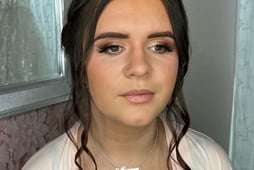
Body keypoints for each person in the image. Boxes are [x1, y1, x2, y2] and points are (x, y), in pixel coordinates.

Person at [22, 0, 233, 169]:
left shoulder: (211, 162)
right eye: (113, 47)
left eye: (159, 46)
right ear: (79, 63)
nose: (140, 67)